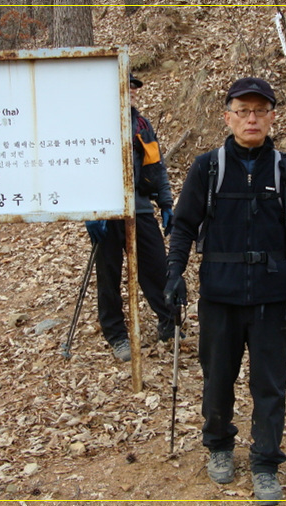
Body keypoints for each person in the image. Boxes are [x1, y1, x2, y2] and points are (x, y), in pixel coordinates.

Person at [164, 77, 286, 505]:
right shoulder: (207, 167)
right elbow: (184, 225)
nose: (251, 118)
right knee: (218, 380)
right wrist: (175, 274)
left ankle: (266, 462)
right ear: (227, 116)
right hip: (219, 295)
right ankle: (220, 447)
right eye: (243, 111)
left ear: (271, 118)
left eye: (260, 111)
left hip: (271, 296)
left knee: (270, 386)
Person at [85, 73, 175, 362]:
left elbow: (157, 166)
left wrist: (165, 203)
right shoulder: (95, 124)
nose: (134, 90)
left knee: (156, 266)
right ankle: (117, 335)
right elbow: (82, 167)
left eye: (135, 86)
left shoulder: (142, 125)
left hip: (141, 209)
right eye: (128, 85)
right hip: (107, 212)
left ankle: (167, 322)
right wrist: (92, 210)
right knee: (108, 275)